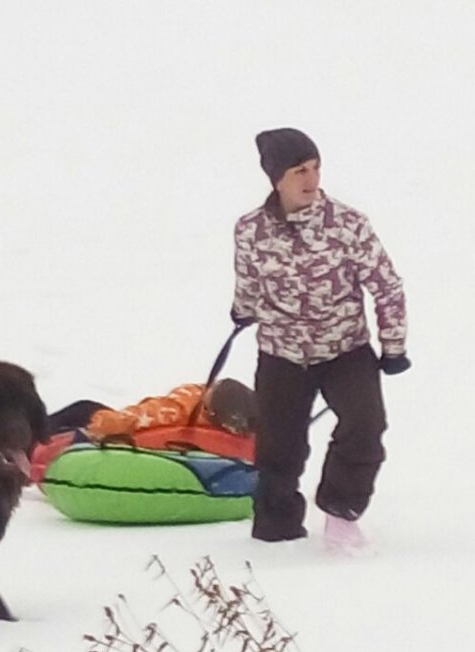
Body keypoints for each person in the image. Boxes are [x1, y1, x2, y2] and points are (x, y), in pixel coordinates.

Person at [231, 127, 409, 545]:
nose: (311, 180)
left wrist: (394, 345)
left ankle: (341, 511)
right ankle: (276, 527)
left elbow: (387, 286)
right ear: (276, 177)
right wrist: (242, 311)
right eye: (299, 171)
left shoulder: (347, 224)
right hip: (281, 354)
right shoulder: (250, 230)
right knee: (279, 448)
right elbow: (248, 284)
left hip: (345, 350)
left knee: (365, 426)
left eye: (314, 168)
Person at [47, 379, 257, 439]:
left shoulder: (177, 409)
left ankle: (34, 438)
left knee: (82, 409)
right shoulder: (249, 423)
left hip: (121, 431)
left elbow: (129, 421)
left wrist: (96, 427)